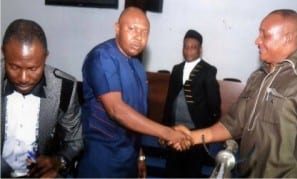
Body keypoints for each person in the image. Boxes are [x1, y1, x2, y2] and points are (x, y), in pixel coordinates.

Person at [173, 9, 297, 178]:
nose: (257, 40)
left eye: (265, 35)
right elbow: (232, 124)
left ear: (288, 38)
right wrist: (191, 137)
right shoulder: (257, 77)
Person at [76, 7, 191, 178]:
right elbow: (117, 110)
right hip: (102, 161)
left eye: (144, 32)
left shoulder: (137, 66)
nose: (138, 36)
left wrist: (141, 155)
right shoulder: (102, 57)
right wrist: (168, 133)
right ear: (117, 28)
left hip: (129, 158)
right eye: (132, 29)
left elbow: (136, 118)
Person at [1, 19, 83, 178]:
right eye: (14, 67)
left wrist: (58, 161)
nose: (23, 78)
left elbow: (76, 141)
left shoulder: (64, 88)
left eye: (33, 68)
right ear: (4, 53)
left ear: (45, 57)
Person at [162, 29, 221, 178]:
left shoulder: (208, 71)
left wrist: (206, 132)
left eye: (193, 47)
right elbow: (169, 101)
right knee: (172, 170)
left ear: (200, 50)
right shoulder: (177, 69)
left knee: (191, 171)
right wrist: (164, 128)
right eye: (185, 46)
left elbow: (214, 104)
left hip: (195, 132)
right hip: (174, 130)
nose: (188, 50)